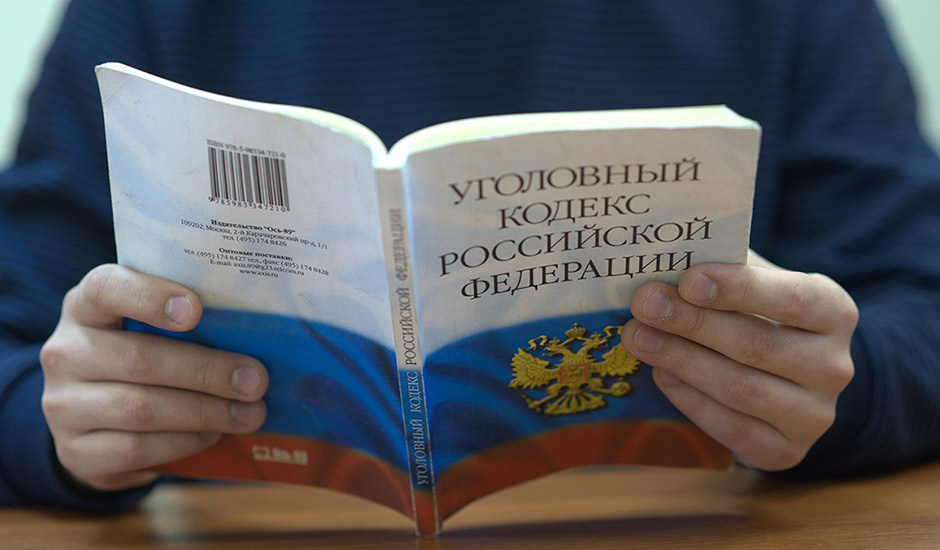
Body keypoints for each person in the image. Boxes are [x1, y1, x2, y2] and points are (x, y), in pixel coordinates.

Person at [2, 0, 939, 509]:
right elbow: (18, 353)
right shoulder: (143, 13)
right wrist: (66, 434)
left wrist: (831, 391)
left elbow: (923, 310)